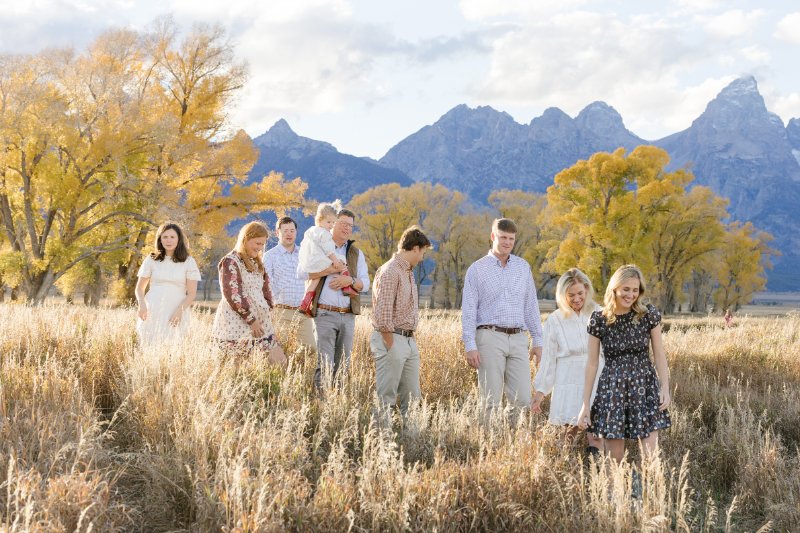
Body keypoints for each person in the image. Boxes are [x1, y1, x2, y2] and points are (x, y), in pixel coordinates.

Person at [577, 264, 672, 464]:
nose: (631, 295)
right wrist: (586, 404)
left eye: (635, 290)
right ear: (615, 288)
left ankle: (649, 485)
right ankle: (613, 485)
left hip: (645, 388)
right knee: (615, 460)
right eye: (626, 289)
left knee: (650, 457)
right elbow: (592, 364)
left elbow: (659, 355)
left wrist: (665, 387)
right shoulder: (599, 319)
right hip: (613, 391)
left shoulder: (648, 315)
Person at [461, 218, 544, 411]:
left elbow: (531, 305)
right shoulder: (477, 269)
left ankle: (515, 432)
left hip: (518, 338)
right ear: (493, 236)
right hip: (489, 337)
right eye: (503, 237)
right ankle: (490, 432)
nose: (507, 242)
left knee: (522, 399)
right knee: (490, 400)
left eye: (511, 239)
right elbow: (469, 310)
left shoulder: (523, 267)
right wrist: (470, 345)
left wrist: (538, 340)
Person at [297, 207, 370, 391]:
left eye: (350, 226)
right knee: (325, 364)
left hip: (348, 315)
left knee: (343, 365)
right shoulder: (317, 244)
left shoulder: (356, 253)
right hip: (324, 313)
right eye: (343, 223)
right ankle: (322, 403)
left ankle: (338, 402)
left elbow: (366, 284)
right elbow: (302, 273)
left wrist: (349, 280)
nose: (347, 228)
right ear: (333, 223)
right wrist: (331, 269)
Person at [532, 268, 603, 454]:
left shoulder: (599, 313)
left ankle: (597, 466)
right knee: (569, 431)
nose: (577, 299)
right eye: (571, 295)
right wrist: (541, 391)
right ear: (563, 295)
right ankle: (566, 465)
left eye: (580, 293)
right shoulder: (555, 320)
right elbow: (549, 359)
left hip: (596, 375)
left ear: (586, 289)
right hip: (568, 378)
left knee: (596, 432)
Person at [370, 226, 431, 418]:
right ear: (415, 248)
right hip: (391, 338)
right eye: (423, 252)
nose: (422, 258)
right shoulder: (390, 271)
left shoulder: (408, 272)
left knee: (412, 398)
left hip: (408, 341)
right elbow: (383, 313)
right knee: (386, 397)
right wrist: (391, 344)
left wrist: (409, 341)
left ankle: (410, 434)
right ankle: (381, 435)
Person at [212, 221, 286, 365]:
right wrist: (251, 320)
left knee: (280, 361)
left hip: (262, 322)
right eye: (257, 243)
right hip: (237, 321)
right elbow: (233, 294)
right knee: (238, 366)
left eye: (262, 244)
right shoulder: (231, 262)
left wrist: (268, 310)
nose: (260, 248)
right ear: (246, 239)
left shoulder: (257, 263)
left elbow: (266, 290)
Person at [135, 222, 201, 346]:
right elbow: (139, 288)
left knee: (173, 346)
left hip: (176, 310)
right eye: (165, 237)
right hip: (152, 309)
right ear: (160, 239)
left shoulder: (188, 261)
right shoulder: (151, 259)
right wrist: (142, 304)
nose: (168, 240)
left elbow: (191, 293)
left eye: (172, 237)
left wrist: (179, 312)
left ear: (178, 239)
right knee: (149, 345)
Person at [263, 216, 317, 353]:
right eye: (285, 231)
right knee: (283, 349)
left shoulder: (304, 254)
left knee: (310, 348)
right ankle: (287, 366)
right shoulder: (270, 256)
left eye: (292, 231)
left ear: (296, 232)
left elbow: (312, 277)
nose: (289, 234)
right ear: (278, 233)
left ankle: (295, 364)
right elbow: (266, 285)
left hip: (302, 311)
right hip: (281, 310)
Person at [297, 201, 355, 316]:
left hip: (309, 261)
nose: (331, 225)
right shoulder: (324, 233)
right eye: (328, 222)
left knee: (315, 280)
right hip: (318, 260)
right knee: (342, 259)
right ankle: (346, 286)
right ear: (319, 219)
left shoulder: (311, 230)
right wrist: (335, 261)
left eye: (333, 222)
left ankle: (305, 303)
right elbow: (329, 250)